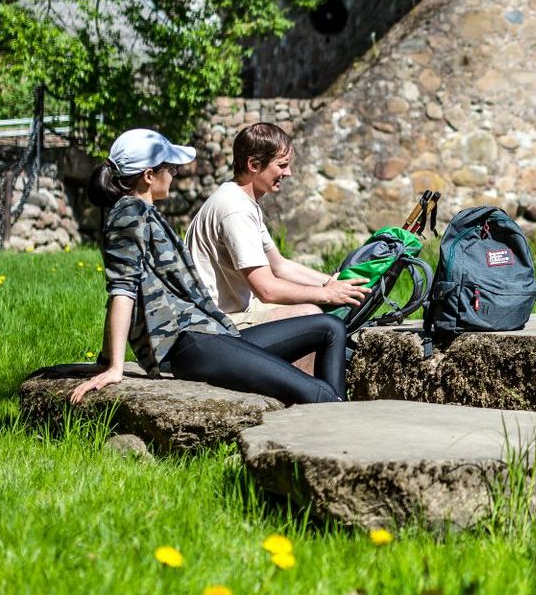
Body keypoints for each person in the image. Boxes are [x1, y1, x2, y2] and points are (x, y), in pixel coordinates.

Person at [68, 128, 346, 406]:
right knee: (318, 393)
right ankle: (336, 423)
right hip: (191, 344)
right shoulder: (129, 215)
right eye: (171, 167)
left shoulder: (142, 214)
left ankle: (336, 411)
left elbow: (127, 288)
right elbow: (122, 291)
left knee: (330, 327)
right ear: (149, 176)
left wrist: (105, 359)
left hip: (210, 336)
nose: (175, 173)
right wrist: (115, 367)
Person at [186, 123, 362, 378]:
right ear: (254, 165)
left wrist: (331, 282)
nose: (288, 172)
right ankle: (304, 401)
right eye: (281, 165)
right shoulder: (235, 210)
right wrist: (326, 295)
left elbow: (280, 266)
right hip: (217, 324)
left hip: (237, 312)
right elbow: (267, 289)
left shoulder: (243, 200)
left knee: (314, 307)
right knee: (310, 315)